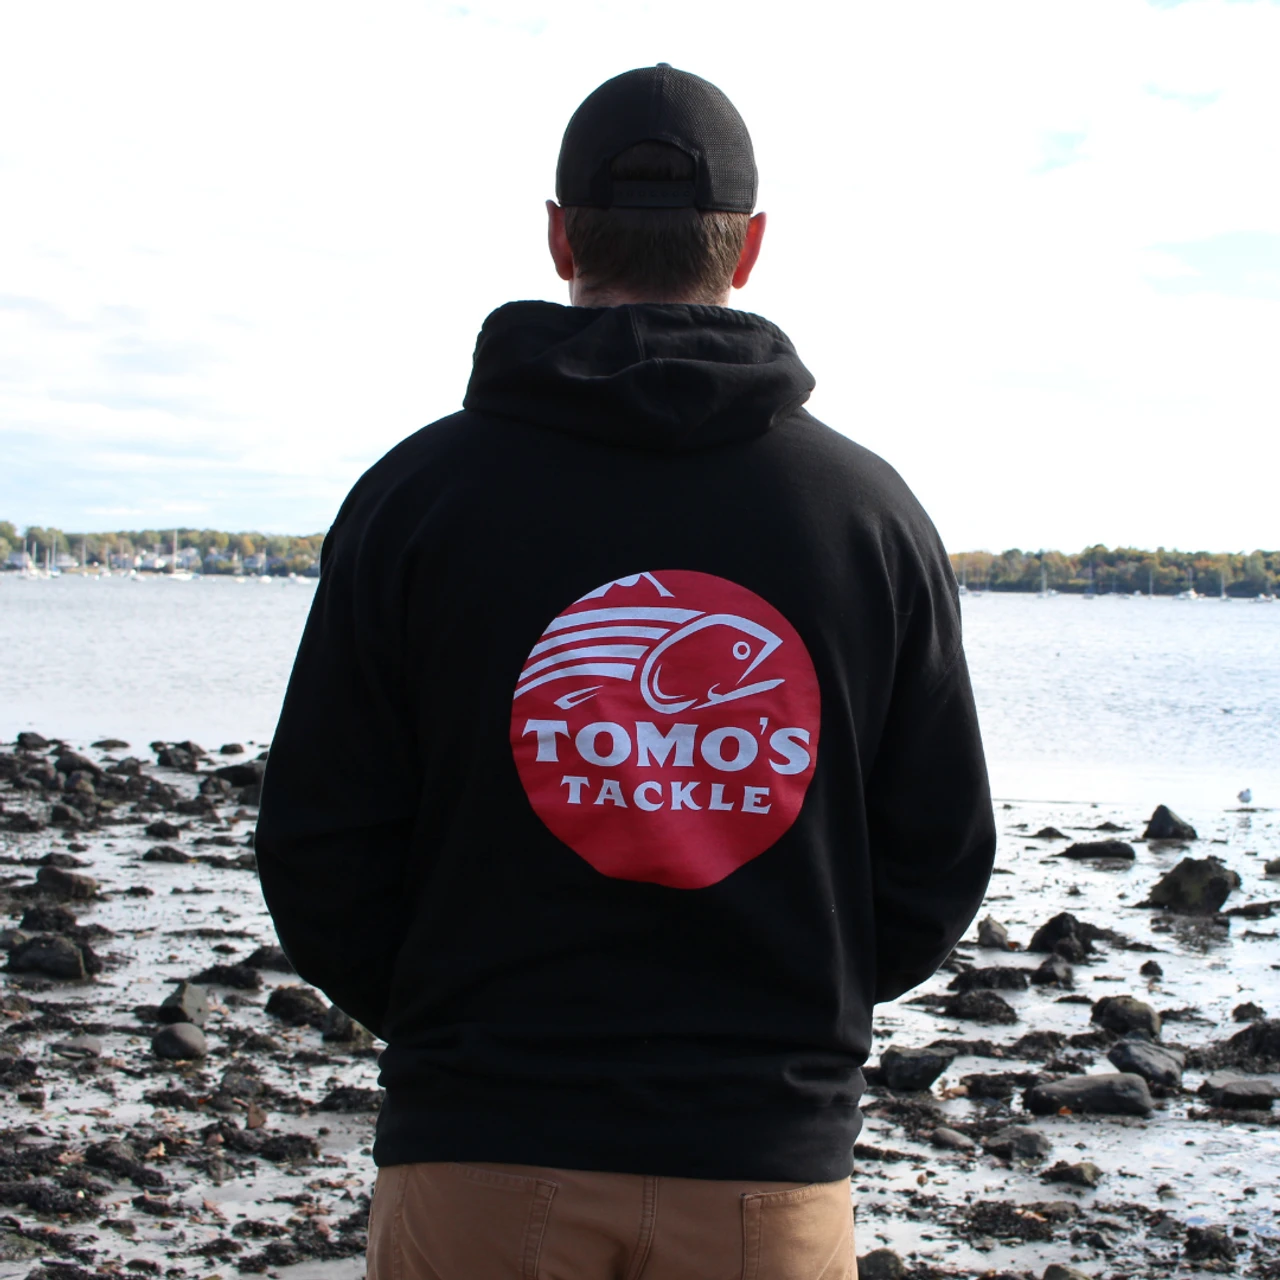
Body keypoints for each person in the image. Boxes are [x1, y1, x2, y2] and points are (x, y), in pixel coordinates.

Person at [256, 64, 995, 1280]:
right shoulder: (865, 516)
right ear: (747, 246)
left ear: (558, 236)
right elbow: (939, 855)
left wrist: (462, 1026)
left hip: (478, 1149)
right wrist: (781, 1019)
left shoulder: (419, 498)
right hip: (764, 1172)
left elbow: (316, 839)